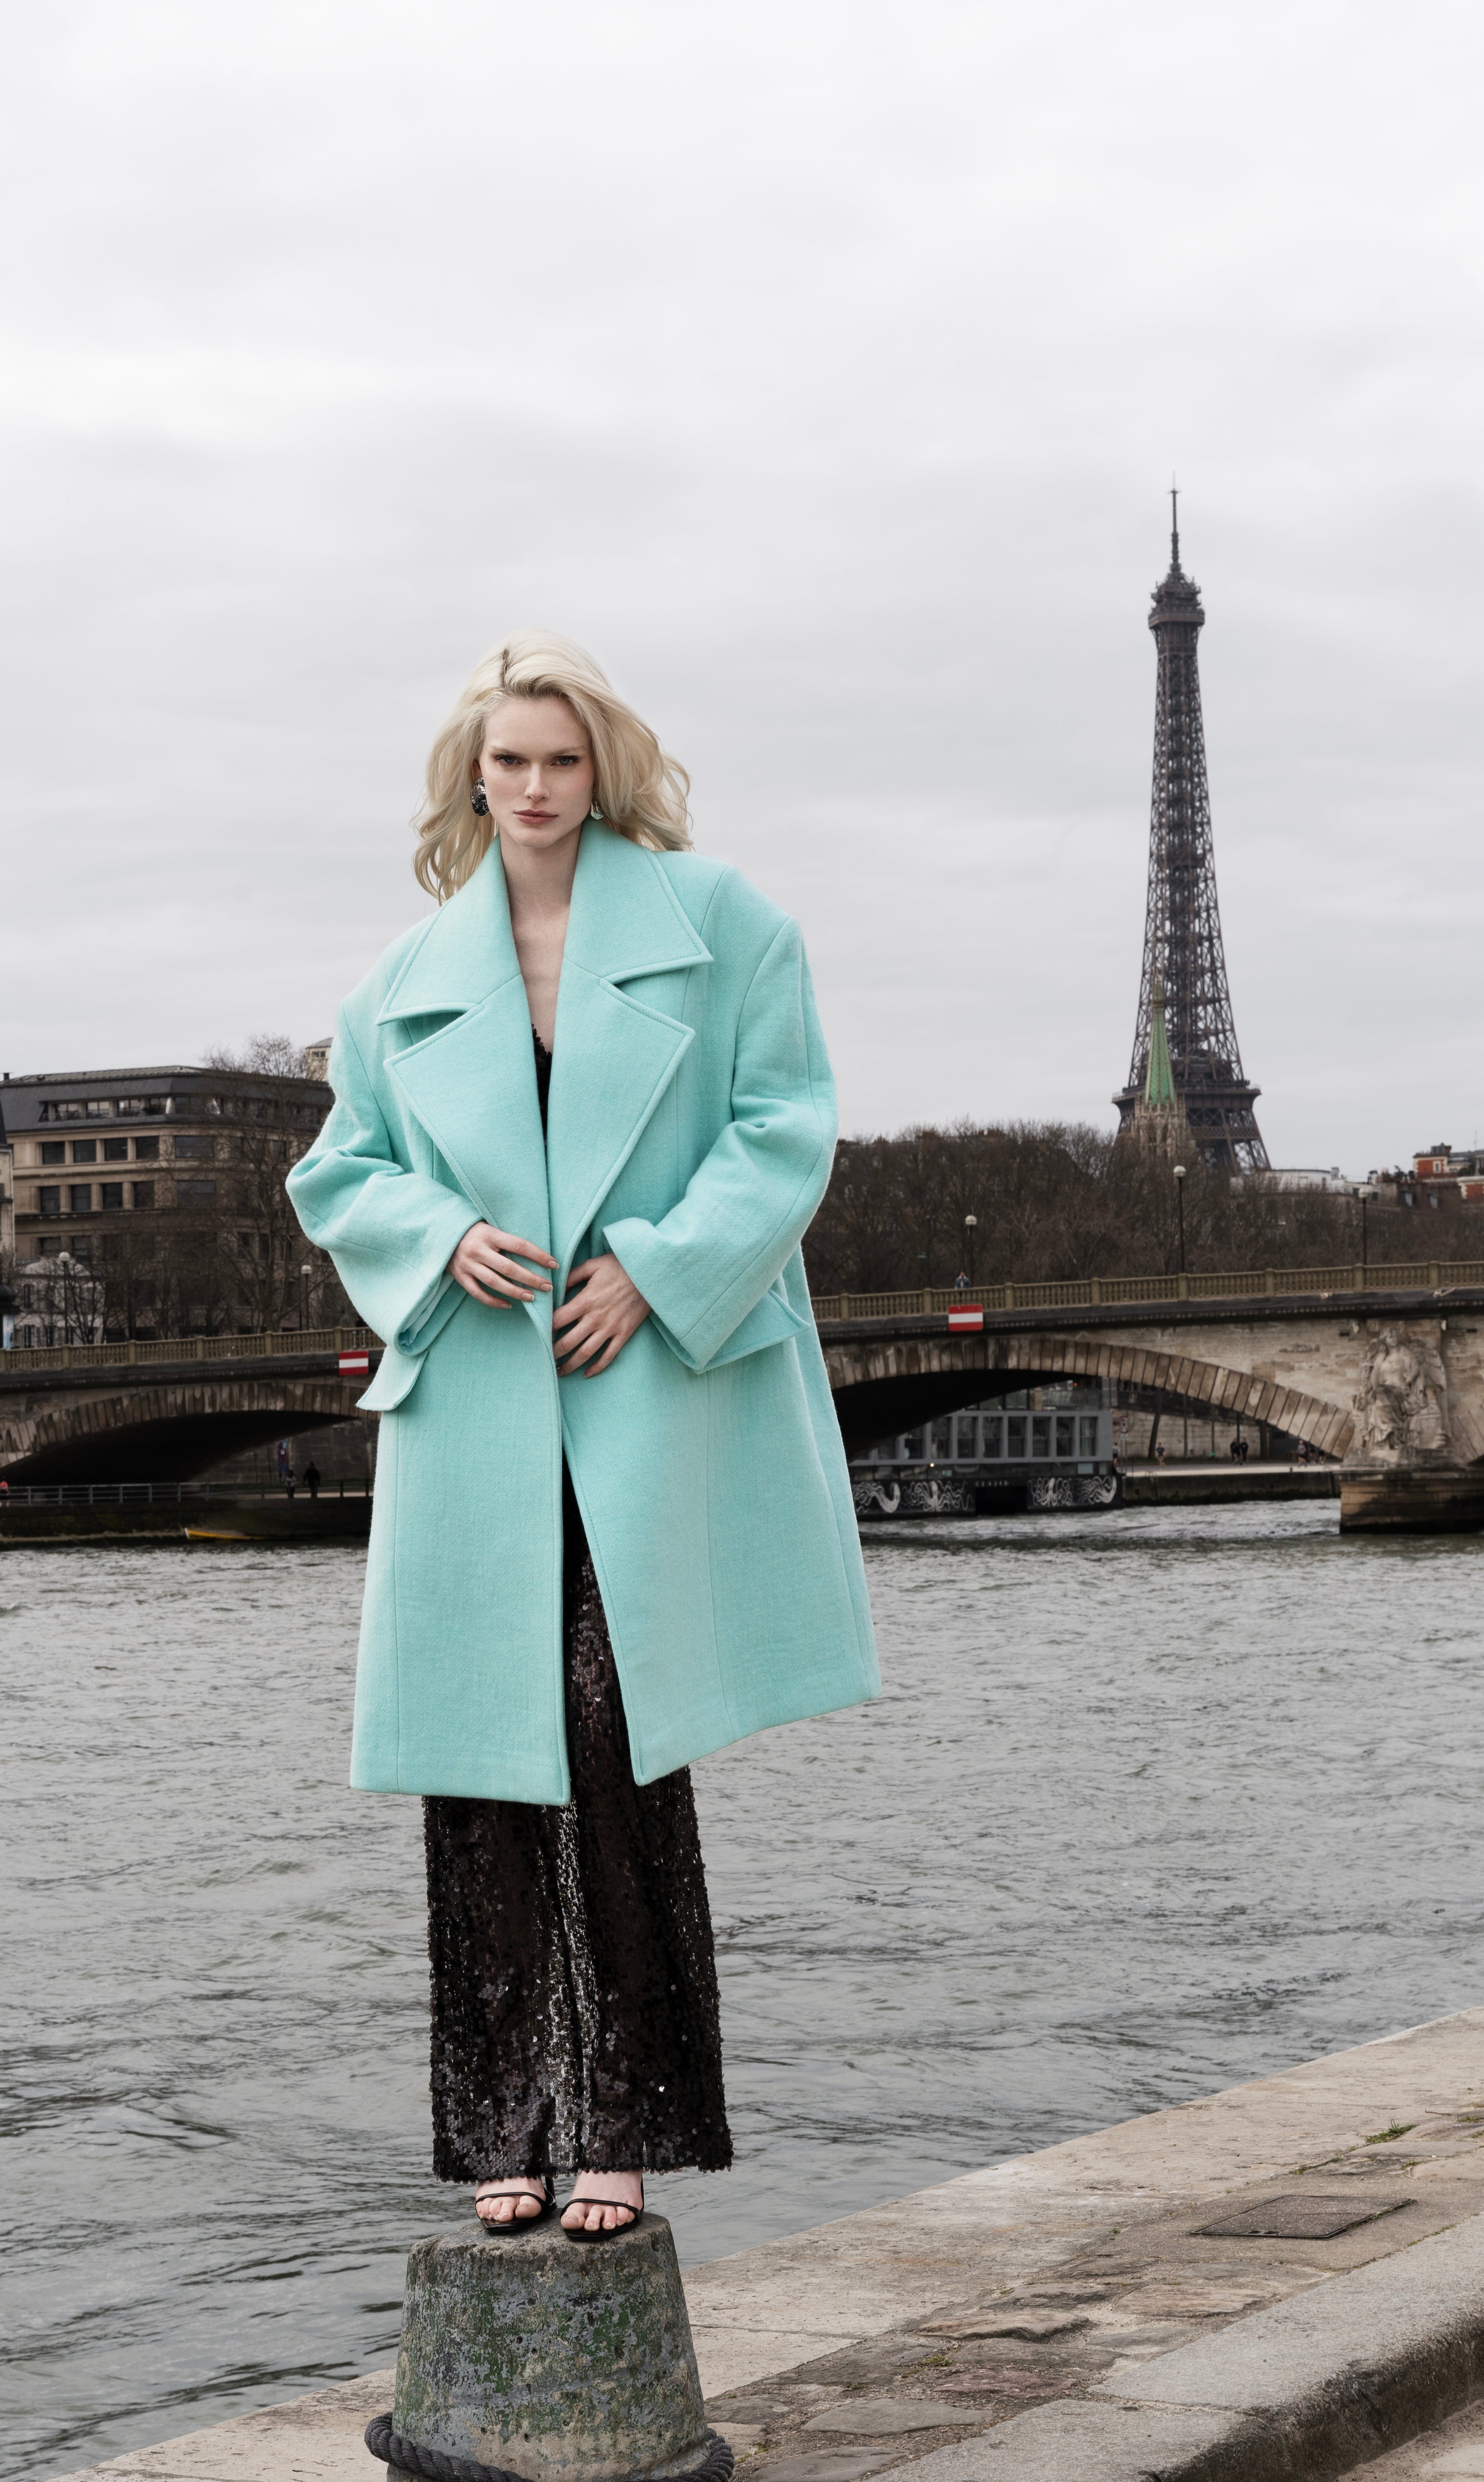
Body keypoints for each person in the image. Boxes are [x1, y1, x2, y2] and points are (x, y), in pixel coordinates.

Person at [289, 632, 878, 2242]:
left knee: (619, 1755)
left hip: (638, 1382)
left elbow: (788, 1130)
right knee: (479, 1784)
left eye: (561, 759)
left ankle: (618, 2120)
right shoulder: (399, 987)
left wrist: (658, 1273)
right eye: (509, 762)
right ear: (471, 779)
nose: (537, 789)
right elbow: (339, 1173)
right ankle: (506, 2124)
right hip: (481, 1398)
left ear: (602, 768)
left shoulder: (728, 930)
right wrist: (435, 1239)